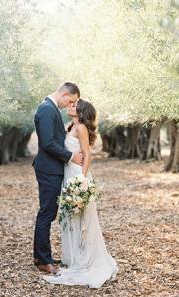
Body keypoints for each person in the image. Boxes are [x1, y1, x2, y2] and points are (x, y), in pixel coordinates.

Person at [42, 99, 118, 288]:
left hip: (77, 176)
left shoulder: (82, 128)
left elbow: (87, 153)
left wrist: (82, 179)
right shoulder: (72, 127)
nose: (70, 106)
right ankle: (73, 257)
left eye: (74, 105)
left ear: (81, 111)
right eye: (70, 104)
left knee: (82, 218)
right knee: (69, 217)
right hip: (69, 174)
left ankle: (84, 259)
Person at [32, 82, 84, 274]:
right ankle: (43, 260)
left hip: (51, 169)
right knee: (47, 213)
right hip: (48, 170)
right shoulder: (47, 109)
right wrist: (71, 156)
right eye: (70, 100)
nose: (69, 105)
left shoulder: (50, 108)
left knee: (47, 213)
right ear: (63, 94)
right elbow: (47, 143)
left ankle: (40, 256)